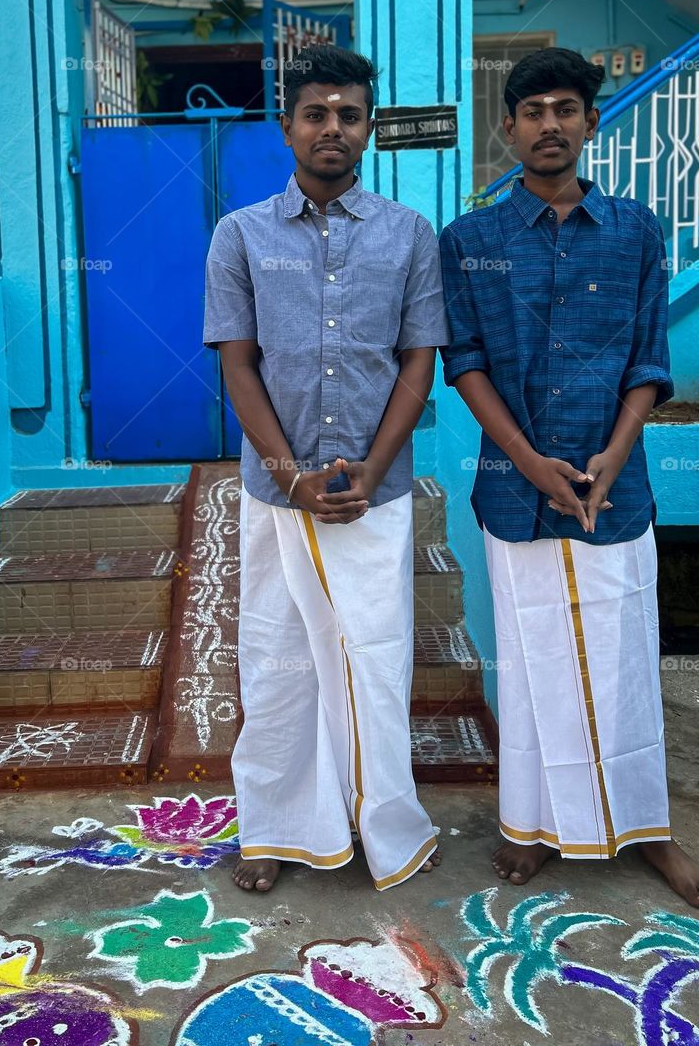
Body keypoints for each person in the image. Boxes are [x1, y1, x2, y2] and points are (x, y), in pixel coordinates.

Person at [438, 47, 699, 908]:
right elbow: (468, 361)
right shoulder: (471, 240)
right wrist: (526, 459)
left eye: (566, 108)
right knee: (531, 662)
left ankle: (647, 829)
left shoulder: (637, 229)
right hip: (513, 489)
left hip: (614, 488)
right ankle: (532, 826)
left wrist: (614, 456)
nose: (549, 124)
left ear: (592, 122)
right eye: (532, 111)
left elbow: (649, 358)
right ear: (507, 128)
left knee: (625, 655)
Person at [203, 44, 450, 892]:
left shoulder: (410, 235)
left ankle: (381, 826)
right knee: (276, 660)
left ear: (370, 130)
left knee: (376, 664)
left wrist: (374, 470)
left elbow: (418, 364)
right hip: (279, 497)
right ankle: (273, 829)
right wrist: (289, 474)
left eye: (349, 115)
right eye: (316, 113)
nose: (332, 128)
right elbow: (238, 364)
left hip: (374, 497)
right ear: (287, 126)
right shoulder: (240, 235)